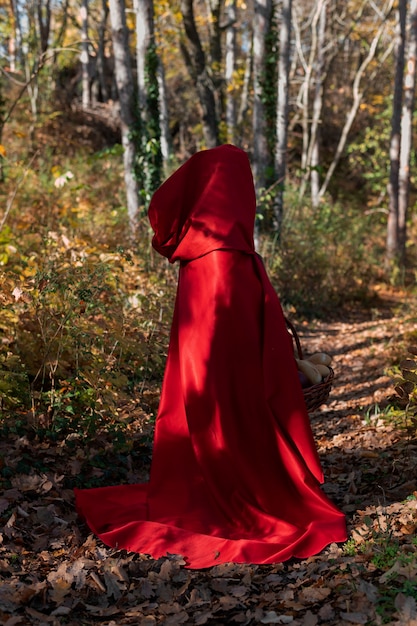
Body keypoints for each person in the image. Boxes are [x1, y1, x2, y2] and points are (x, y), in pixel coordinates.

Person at [74, 144, 347, 569]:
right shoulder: (232, 262)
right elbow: (255, 356)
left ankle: (213, 476)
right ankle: (239, 481)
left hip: (205, 404)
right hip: (235, 410)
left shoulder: (199, 258)